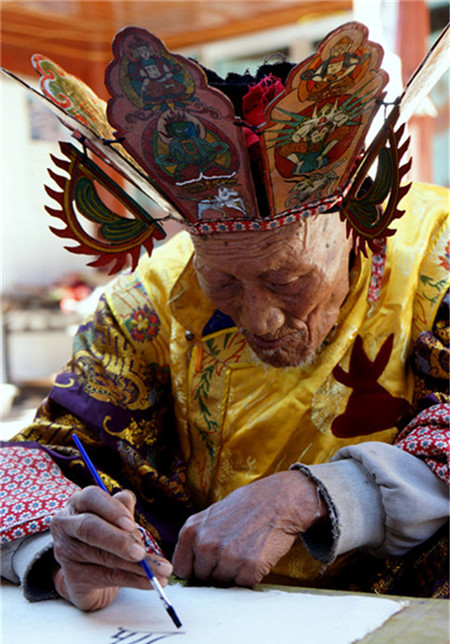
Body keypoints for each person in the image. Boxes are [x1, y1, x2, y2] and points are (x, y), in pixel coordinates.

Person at [1, 22, 449, 612]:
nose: (260, 319)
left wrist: (321, 492)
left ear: (355, 221)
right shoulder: (151, 301)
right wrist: (61, 549)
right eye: (224, 284)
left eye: (287, 281)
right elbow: (42, 452)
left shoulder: (437, 258)